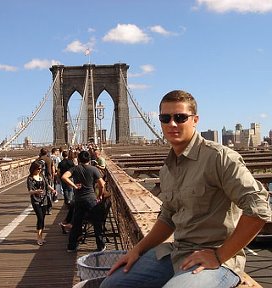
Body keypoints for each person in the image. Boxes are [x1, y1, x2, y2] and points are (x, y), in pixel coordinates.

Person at [100, 90, 271, 288]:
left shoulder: (219, 157)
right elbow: (167, 217)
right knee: (111, 284)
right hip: (176, 252)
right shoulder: (167, 169)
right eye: (165, 118)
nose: (172, 124)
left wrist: (219, 255)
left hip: (216, 259)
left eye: (180, 117)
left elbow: (259, 208)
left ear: (195, 120)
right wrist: (137, 250)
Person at [61, 150, 106, 252]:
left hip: (79, 200)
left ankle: (71, 247)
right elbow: (102, 184)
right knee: (97, 223)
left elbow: (64, 177)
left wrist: (74, 186)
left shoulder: (75, 169)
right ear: (89, 159)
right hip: (91, 199)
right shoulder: (94, 169)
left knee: (76, 224)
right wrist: (99, 196)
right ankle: (100, 246)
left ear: (79, 159)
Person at [27, 160, 57, 246]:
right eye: (38, 169)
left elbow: (47, 185)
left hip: (44, 200)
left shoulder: (42, 175)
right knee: (40, 217)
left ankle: (41, 236)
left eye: (40, 169)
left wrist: (53, 190)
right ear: (33, 169)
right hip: (36, 200)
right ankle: (39, 237)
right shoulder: (30, 178)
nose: (39, 170)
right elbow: (30, 191)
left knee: (43, 218)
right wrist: (36, 191)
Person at [38, 148, 54, 214]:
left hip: (39, 179)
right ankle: (49, 209)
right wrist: (52, 176)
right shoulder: (49, 159)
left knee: (41, 193)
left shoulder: (38, 160)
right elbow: (53, 169)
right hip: (48, 178)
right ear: (47, 153)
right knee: (48, 193)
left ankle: (42, 208)